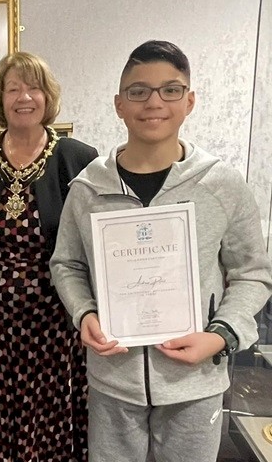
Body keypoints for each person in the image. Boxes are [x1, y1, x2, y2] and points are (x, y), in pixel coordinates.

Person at [50, 40, 272, 462]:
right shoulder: (87, 188)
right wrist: (85, 314)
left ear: (189, 101)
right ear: (119, 103)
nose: (154, 102)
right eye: (138, 91)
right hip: (113, 381)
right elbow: (67, 265)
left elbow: (252, 273)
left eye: (170, 90)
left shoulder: (221, 184)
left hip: (195, 383)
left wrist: (221, 335)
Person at [0, 52, 98, 461]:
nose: (24, 97)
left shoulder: (79, 160)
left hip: (54, 320)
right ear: (0, 97)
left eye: (33, 88)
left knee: (47, 415)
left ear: (47, 97)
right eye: (13, 88)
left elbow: (96, 242)